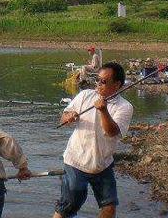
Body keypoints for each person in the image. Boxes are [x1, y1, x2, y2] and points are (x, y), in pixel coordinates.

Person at [55, 62, 134, 218]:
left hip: (102, 164)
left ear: (117, 84)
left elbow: (111, 132)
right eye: (97, 80)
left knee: (109, 207)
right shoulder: (85, 95)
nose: (98, 84)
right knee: (68, 207)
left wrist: (103, 110)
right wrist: (68, 117)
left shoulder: (125, 107)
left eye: (103, 82)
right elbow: (62, 118)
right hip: (76, 160)